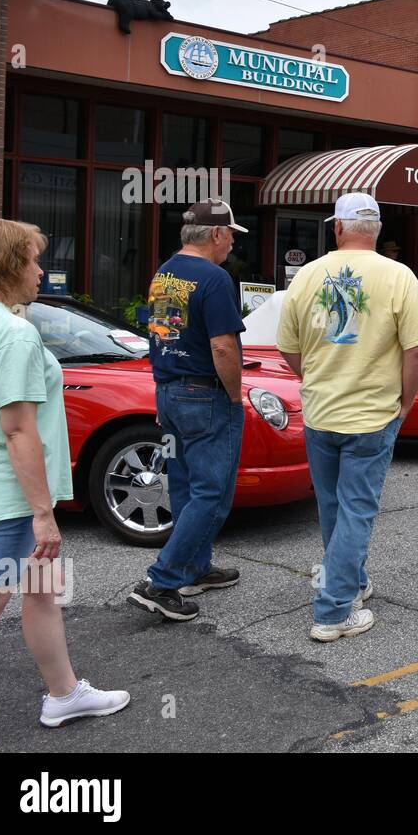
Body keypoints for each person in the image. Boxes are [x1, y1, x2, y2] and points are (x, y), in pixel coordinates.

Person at [0, 218, 130, 741]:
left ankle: (64, 695)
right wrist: (42, 513)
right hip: (12, 498)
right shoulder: (13, 333)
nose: (41, 271)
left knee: (41, 591)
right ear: (9, 264)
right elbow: (18, 430)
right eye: (34, 260)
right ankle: (63, 694)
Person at [277, 193, 418, 642]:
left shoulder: (307, 275)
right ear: (377, 230)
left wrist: (316, 375)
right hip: (371, 413)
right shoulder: (399, 275)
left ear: (338, 228)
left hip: (320, 410)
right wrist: (405, 401)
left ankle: (352, 581)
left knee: (332, 506)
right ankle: (333, 610)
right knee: (358, 509)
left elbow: (288, 346)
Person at [127, 199, 248, 622]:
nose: (231, 244)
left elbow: (162, 333)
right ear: (215, 234)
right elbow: (222, 345)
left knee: (183, 484)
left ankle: (195, 566)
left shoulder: (165, 273)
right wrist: (234, 398)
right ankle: (161, 581)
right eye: (231, 235)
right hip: (206, 393)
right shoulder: (215, 279)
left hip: (169, 391)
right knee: (212, 494)